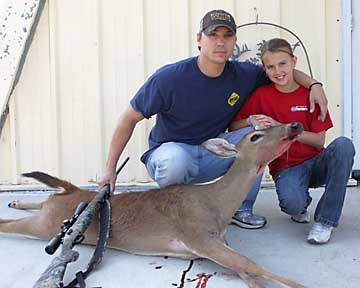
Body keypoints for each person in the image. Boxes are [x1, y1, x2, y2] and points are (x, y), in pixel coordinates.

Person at [98, 10, 329, 230]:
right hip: (173, 152)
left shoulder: (243, 74)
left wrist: (314, 85)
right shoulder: (169, 78)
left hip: (213, 150)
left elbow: (279, 71)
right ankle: (176, 213)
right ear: (199, 40)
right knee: (175, 159)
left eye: (227, 36)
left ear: (234, 41)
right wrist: (109, 170)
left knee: (256, 138)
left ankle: (240, 209)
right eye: (213, 35)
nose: (221, 42)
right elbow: (127, 120)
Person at [229, 38, 355, 243]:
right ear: (264, 69)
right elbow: (233, 127)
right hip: (286, 168)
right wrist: (251, 120)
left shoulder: (310, 95)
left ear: (294, 61)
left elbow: (317, 140)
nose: (277, 71)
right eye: (270, 67)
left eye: (282, 64)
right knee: (292, 205)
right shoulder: (261, 95)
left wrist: (282, 128)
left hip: (316, 162)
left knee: (344, 145)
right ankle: (301, 203)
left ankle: (325, 221)